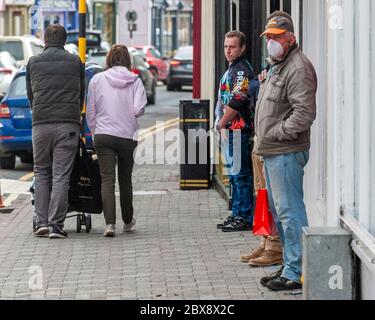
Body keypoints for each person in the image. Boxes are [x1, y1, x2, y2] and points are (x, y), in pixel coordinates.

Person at [254, 14, 317, 291]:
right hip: (273, 150)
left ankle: (298, 271)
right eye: (269, 37)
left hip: (285, 150)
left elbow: (304, 114)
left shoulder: (298, 67)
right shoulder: (280, 65)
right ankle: (291, 264)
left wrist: (276, 132)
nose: (271, 41)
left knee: (290, 212)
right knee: (281, 212)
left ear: (290, 38)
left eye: (277, 37)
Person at [27, 24, 85, 239]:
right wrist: (75, 114)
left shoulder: (33, 62)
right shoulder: (75, 61)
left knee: (41, 172)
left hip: (40, 124)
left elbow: (30, 95)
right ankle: (56, 226)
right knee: (61, 175)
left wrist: (39, 112)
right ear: (64, 40)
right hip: (67, 124)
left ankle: (40, 222)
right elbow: (81, 93)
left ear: (45, 40)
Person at [86, 44, 147, 237]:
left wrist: (96, 132)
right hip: (127, 135)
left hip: (103, 135)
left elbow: (91, 111)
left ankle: (109, 225)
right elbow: (138, 109)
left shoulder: (97, 79)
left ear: (109, 59)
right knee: (125, 180)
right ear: (127, 59)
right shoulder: (135, 80)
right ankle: (128, 221)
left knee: (107, 180)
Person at [215, 31, 255, 232]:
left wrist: (221, 122)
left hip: (238, 131)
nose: (228, 51)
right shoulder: (232, 69)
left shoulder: (241, 71)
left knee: (241, 175)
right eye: (225, 46)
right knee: (234, 175)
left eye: (232, 47)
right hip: (230, 132)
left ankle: (244, 216)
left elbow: (238, 99)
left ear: (242, 48)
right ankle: (237, 214)